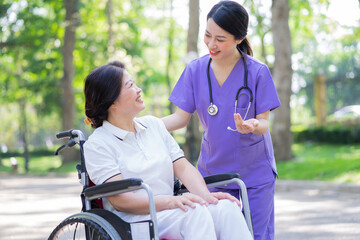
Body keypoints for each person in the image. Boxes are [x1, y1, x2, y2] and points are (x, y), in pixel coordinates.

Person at [83, 61, 253, 240]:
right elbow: (121, 200)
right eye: (130, 85)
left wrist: (206, 197)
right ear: (112, 103)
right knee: (195, 213)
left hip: (171, 209)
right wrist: (172, 201)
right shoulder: (98, 144)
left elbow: (184, 168)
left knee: (226, 208)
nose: (138, 89)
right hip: (134, 221)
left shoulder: (153, 125)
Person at [162, 1, 281, 240]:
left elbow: (265, 123)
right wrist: (141, 126)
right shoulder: (195, 70)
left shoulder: (257, 72)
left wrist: (253, 126)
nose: (211, 44)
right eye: (207, 35)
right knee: (215, 233)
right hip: (212, 172)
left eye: (220, 38)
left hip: (254, 174)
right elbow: (180, 118)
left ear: (239, 38)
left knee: (255, 235)